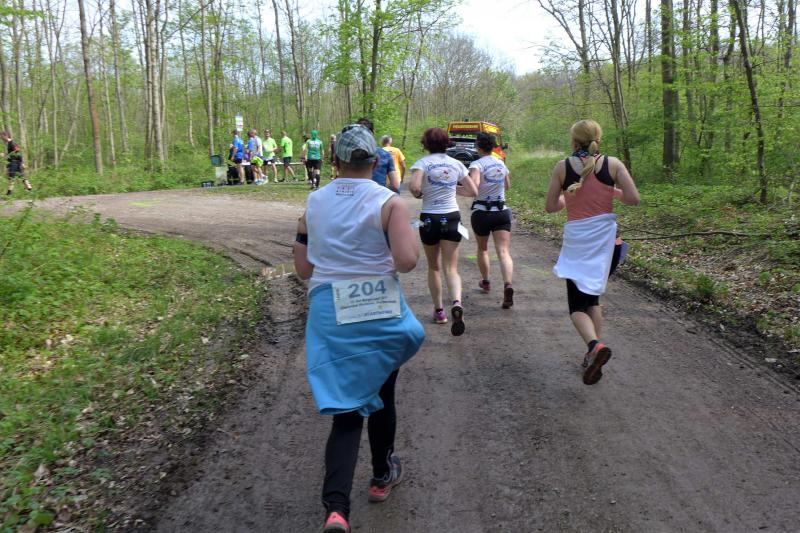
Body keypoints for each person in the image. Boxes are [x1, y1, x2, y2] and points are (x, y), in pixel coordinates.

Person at [293, 123, 425, 533]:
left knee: (346, 411)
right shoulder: (389, 203)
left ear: (334, 162)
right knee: (382, 394)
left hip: (331, 313)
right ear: (375, 160)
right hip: (378, 310)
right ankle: (382, 476)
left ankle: (336, 510)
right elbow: (407, 262)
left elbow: (304, 269)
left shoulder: (314, 202)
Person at [545, 119, 640, 385]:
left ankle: (594, 346)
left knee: (577, 307)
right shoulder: (613, 164)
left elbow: (551, 207)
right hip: (609, 245)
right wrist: (612, 191)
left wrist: (568, 196)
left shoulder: (562, 167)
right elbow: (633, 198)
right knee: (593, 300)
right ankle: (593, 355)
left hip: (579, 245)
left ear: (574, 141)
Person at [408, 127, 478, 336]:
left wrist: (421, 193)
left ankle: (439, 311)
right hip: (452, 217)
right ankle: (456, 302)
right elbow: (473, 190)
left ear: (426, 144)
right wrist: (451, 188)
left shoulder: (422, 163)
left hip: (430, 218)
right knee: (451, 268)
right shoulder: (456, 164)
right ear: (447, 143)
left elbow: (414, 187)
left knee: (434, 267)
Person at [469, 132, 514, 308]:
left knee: (483, 249)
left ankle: (486, 281)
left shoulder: (477, 164)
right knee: (503, 251)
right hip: (501, 211)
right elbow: (507, 186)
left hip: (482, 212)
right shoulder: (500, 162)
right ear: (493, 146)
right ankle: (508, 284)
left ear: (478, 147)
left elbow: (474, 187)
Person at [356, 118, 400, 192]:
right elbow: (395, 185)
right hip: (379, 196)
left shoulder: (347, 156)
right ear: (373, 132)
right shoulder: (385, 155)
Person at [2, 131, 32, 195]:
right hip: (15, 163)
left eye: (1, 136)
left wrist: (22, 163)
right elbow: (13, 153)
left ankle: (8, 194)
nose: (1, 138)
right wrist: (5, 154)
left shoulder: (12, 143)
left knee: (11, 177)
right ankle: (30, 190)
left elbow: (17, 151)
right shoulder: (10, 143)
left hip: (14, 163)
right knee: (22, 177)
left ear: (5, 136)